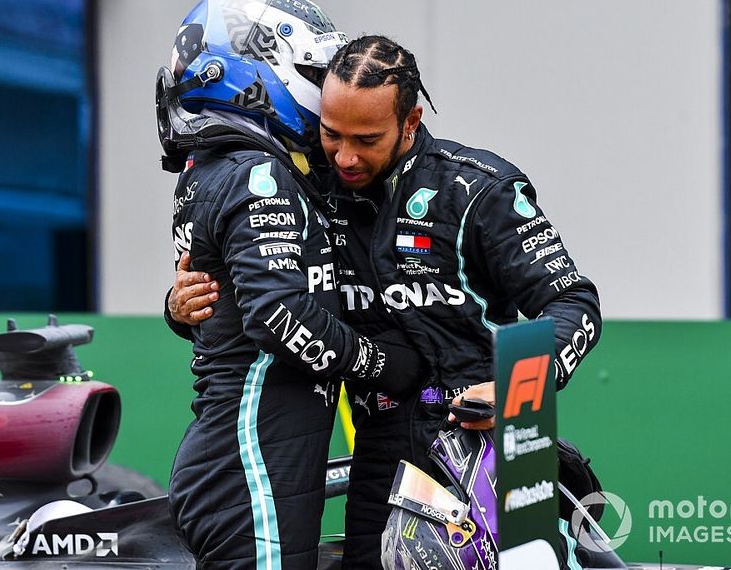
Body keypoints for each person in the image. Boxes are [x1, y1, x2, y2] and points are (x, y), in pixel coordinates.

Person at [171, 34, 601, 569]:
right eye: (331, 134)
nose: (346, 156)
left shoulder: (478, 188)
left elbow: (575, 303)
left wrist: (519, 387)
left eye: (368, 139)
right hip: (385, 449)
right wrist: (181, 306)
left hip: (501, 442)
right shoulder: (309, 190)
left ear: (411, 121)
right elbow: (268, 296)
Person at [158, 0, 423, 570]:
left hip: (251, 459)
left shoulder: (224, 167)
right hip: (248, 461)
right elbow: (278, 317)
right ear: (251, 76)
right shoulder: (256, 174)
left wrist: (177, 308)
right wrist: (385, 365)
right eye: (308, 71)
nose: (320, 88)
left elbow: (222, 298)